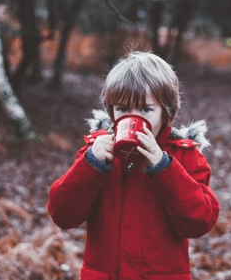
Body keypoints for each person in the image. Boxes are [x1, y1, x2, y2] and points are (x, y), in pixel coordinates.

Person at [48, 51, 220, 280]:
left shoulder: (184, 156)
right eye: (122, 109)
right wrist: (91, 164)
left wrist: (163, 168)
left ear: (166, 111)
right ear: (111, 111)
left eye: (146, 109)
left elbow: (199, 221)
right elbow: (62, 214)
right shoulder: (96, 153)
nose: (133, 116)